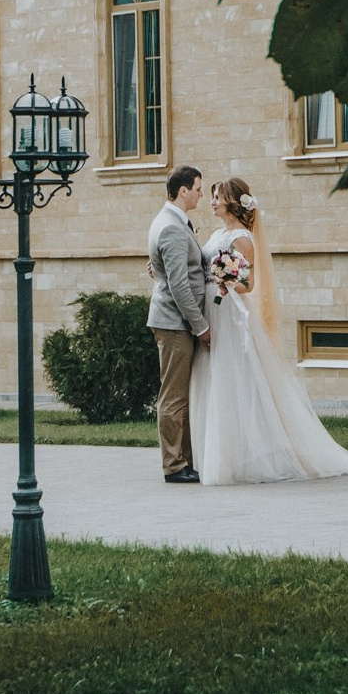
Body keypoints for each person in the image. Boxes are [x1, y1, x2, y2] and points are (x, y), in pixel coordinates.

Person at [188, 175, 348, 485]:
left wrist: (227, 281)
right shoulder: (217, 233)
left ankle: (250, 455)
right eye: (211, 196)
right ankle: (218, 453)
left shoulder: (242, 238)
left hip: (229, 312)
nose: (212, 202)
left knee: (236, 377)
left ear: (232, 202)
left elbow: (249, 284)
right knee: (214, 376)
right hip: (211, 308)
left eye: (217, 197)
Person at [146, 164, 209, 484]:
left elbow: (163, 270)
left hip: (175, 321)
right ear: (183, 190)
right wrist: (200, 326)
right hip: (174, 323)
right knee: (172, 396)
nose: (201, 193)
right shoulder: (170, 226)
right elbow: (179, 285)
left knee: (180, 395)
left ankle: (185, 461)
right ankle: (174, 465)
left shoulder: (172, 221)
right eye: (198, 188)